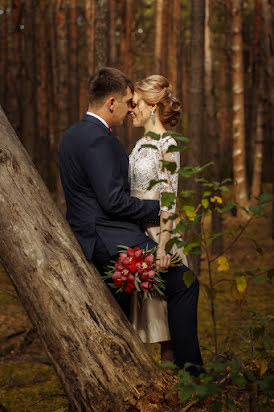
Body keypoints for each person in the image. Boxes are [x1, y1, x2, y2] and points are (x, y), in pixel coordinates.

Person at [59, 67, 203, 374]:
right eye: (128, 102)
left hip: (123, 233)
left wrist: (164, 222)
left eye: (136, 103)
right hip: (117, 239)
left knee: (151, 302)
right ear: (112, 102)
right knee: (180, 288)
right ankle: (190, 373)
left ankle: (180, 373)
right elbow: (112, 199)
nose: (130, 110)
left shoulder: (72, 136)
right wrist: (155, 211)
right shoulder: (104, 140)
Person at [129, 74, 188, 362]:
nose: (131, 109)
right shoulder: (140, 145)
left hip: (160, 235)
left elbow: (169, 198)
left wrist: (163, 246)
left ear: (152, 106)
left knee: (166, 320)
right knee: (148, 317)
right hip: (138, 234)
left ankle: (177, 390)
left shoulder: (168, 144)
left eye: (136, 103)